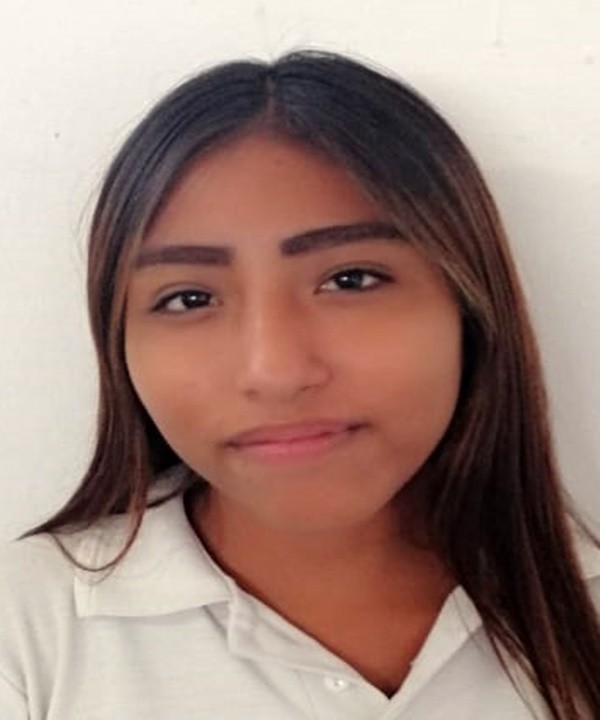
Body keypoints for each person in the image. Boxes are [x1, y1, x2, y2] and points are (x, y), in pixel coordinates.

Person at [0, 48, 598, 720]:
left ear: (469, 305)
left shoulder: (583, 609)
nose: (275, 372)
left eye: (350, 280)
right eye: (190, 298)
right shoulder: (26, 630)